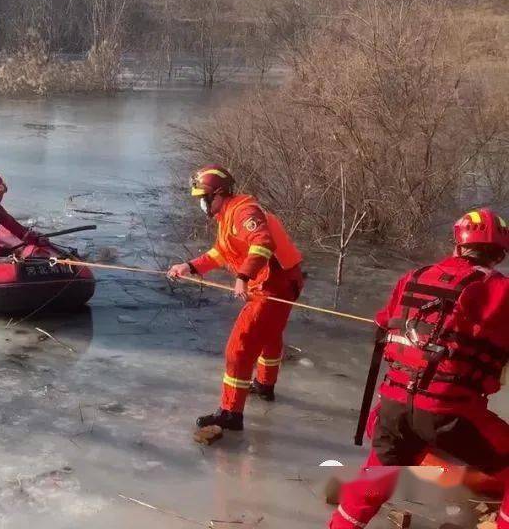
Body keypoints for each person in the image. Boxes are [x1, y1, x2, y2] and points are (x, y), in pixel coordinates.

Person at [329, 208, 509, 529]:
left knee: (376, 475)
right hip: (448, 415)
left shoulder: (412, 277)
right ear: (498, 255)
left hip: (394, 408)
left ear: (457, 244)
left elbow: (384, 321)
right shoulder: (499, 290)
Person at [167, 165, 304, 431]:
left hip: (275, 285)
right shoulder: (228, 215)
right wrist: (190, 266)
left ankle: (231, 414)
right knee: (268, 335)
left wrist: (242, 276)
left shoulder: (244, 212)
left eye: (204, 198)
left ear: (219, 194)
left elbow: (262, 243)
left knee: (239, 348)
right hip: (277, 281)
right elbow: (221, 253)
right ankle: (265, 386)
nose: (202, 204)